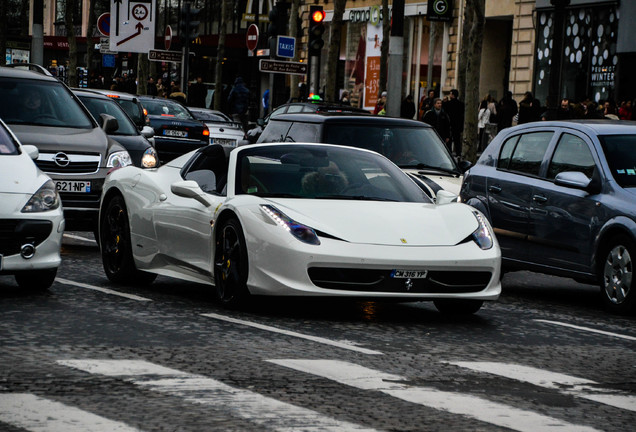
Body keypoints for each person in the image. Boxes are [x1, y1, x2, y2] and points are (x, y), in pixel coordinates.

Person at [443, 89, 464, 156]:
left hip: (449, 125)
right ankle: (458, 154)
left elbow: (445, 112)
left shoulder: (448, 104)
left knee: (449, 140)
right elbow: (462, 116)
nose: (449, 95)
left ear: (452, 95)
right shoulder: (461, 104)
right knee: (457, 141)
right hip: (457, 125)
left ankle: (449, 153)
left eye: (450, 94)